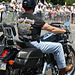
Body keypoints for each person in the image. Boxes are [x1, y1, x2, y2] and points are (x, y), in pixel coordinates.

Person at [17, 0, 73, 75]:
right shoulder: (35, 19)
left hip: (23, 43)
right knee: (58, 46)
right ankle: (62, 69)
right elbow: (51, 29)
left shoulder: (20, 18)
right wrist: (63, 31)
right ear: (33, 6)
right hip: (34, 45)